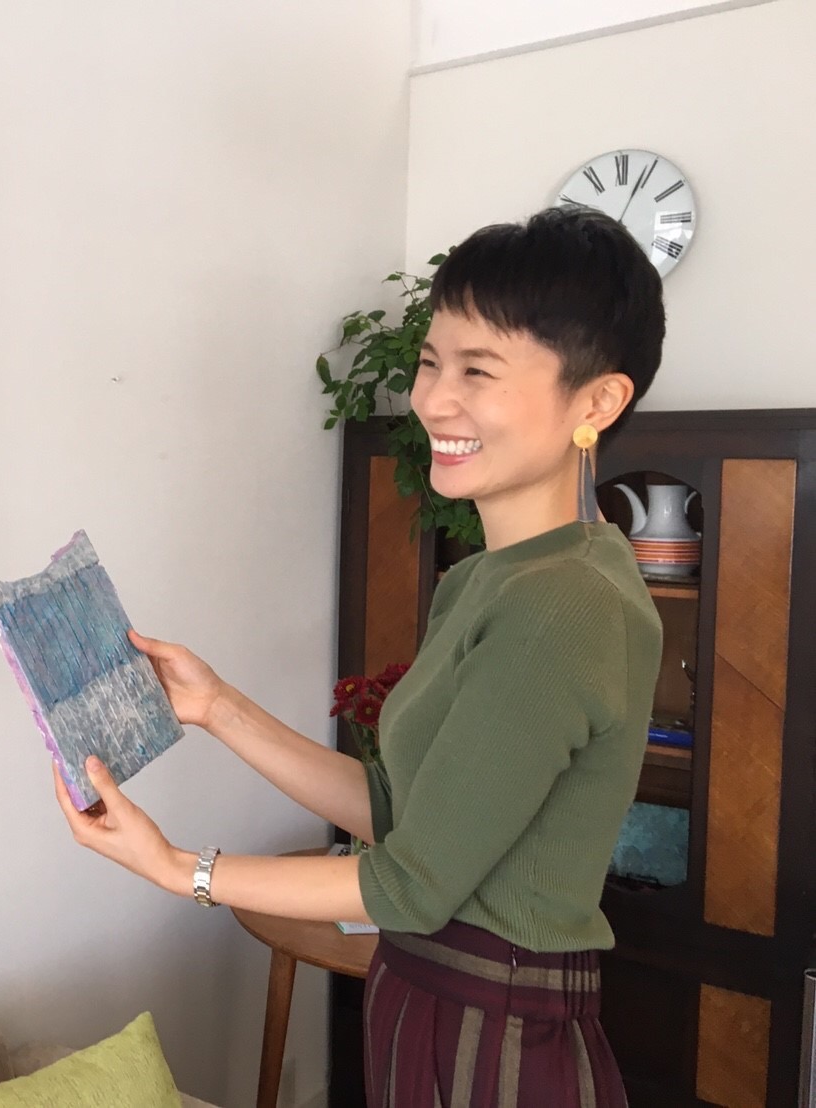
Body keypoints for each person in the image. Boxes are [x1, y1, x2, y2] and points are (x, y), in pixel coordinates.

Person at [53, 205, 666, 1107]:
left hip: (494, 1038)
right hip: (432, 1002)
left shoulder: (563, 599)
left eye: (478, 370)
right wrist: (217, 706)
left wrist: (178, 868)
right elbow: (396, 813)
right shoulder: (487, 579)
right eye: (431, 362)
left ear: (597, 403)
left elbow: (411, 885)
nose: (432, 399)